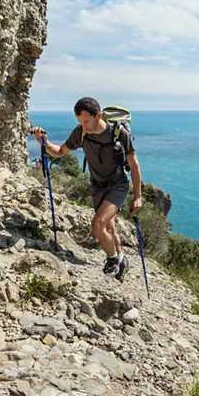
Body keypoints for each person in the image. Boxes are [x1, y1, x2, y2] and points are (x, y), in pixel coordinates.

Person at [32, 97, 142, 282]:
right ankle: (122, 259)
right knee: (109, 226)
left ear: (98, 115)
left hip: (118, 185)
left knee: (98, 224)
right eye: (80, 122)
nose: (83, 126)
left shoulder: (118, 133)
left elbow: (134, 165)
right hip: (97, 185)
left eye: (86, 121)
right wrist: (44, 143)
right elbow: (60, 151)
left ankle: (112, 259)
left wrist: (138, 196)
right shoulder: (81, 133)